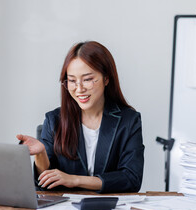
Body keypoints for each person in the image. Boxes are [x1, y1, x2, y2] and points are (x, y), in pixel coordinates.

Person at [16, 41, 144, 193]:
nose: (79, 89)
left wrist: (75, 180)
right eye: (71, 80)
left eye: (88, 79)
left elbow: (131, 179)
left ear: (106, 79)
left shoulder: (128, 120)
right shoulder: (54, 120)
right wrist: (41, 153)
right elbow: (43, 184)